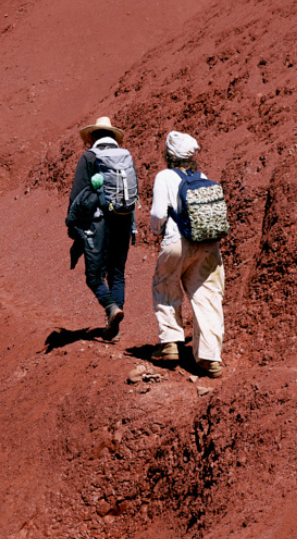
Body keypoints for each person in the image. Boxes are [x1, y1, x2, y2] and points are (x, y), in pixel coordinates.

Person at [150, 129, 225, 377]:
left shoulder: (164, 177)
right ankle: (209, 358)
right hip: (207, 244)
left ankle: (170, 342)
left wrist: (155, 230)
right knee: (208, 296)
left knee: (165, 284)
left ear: (169, 155)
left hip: (176, 240)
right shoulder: (201, 176)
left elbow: (159, 214)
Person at [66, 115, 137, 339]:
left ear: (94, 137)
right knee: (117, 273)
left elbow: (77, 194)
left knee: (94, 276)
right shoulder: (126, 157)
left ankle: (111, 308)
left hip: (97, 223)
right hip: (124, 218)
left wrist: (72, 225)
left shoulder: (89, 157)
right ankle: (114, 326)